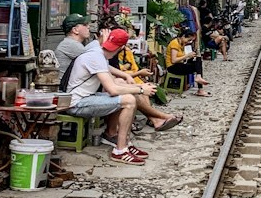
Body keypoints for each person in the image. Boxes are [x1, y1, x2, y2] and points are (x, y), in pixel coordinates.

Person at [64, 31, 149, 162]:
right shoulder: (96, 56)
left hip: (85, 98)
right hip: (77, 103)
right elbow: (112, 89)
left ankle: (122, 141)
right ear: (122, 48)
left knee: (127, 91)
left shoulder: (97, 50)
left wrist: (127, 77)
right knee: (129, 100)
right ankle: (120, 150)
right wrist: (141, 89)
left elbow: (106, 68)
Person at [101, 28, 182, 131]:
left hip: (117, 80)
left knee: (142, 89)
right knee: (136, 91)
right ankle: (161, 117)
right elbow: (111, 76)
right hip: (108, 85)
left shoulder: (114, 52)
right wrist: (137, 77)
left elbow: (111, 69)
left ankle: (154, 119)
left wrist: (129, 76)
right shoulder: (106, 53)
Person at [166, 25, 210, 96]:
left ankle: (199, 79)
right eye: (189, 40)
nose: (189, 42)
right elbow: (174, 60)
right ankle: (200, 87)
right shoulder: (175, 43)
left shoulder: (181, 44)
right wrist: (187, 56)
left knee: (198, 60)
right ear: (183, 36)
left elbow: (181, 58)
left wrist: (189, 57)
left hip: (179, 64)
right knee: (197, 66)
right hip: (173, 67)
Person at [55, 14, 91, 79]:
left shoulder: (72, 43)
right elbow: (96, 63)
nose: (88, 27)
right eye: (85, 25)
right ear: (75, 30)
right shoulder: (70, 44)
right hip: (66, 88)